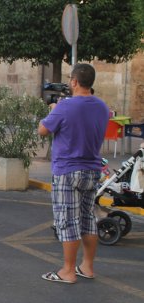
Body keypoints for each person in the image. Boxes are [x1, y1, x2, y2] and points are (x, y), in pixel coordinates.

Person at [38, 63, 109, 284]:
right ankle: (87, 267)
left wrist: (51, 111)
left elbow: (43, 130)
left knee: (68, 221)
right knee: (88, 219)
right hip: (92, 169)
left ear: (75, 82)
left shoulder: (64, 106)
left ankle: (68, 271)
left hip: (67, 171)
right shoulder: (102, 107)